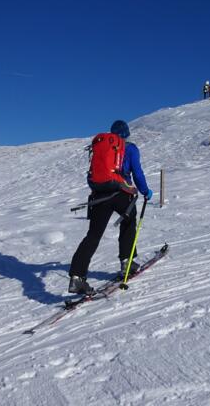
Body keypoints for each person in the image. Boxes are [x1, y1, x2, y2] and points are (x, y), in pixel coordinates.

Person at [68, 120, 153, 295]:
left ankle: (76, 278)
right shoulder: (130, 148)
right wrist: (145, 191)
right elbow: (137, 172)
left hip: (100, 195)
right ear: (126, 134)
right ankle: (126, 263)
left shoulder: (102, 148)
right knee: (129, 222)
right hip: (122, 193)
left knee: (93, 235)